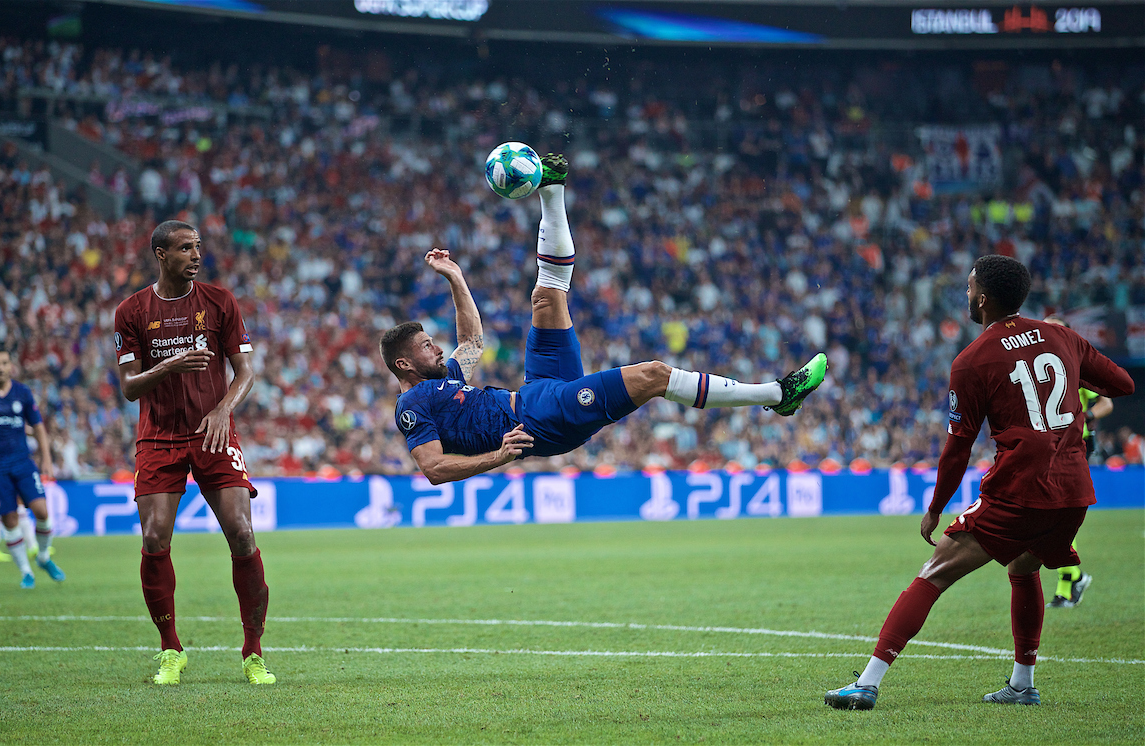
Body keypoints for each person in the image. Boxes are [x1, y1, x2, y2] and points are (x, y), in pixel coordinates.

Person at [381, 154, 827, 484]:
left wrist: (456, 277)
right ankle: (778, 394)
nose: (437, 348)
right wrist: (500, 457)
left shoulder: (448, 380)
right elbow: (434, 468)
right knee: (653, 374)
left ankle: (552, 189)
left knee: (545, 298)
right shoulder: (413, 406)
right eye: (425, 346)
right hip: (539, 422)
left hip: (537, 391)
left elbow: (472, 340)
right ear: (404, 364)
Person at [825, 255, 1135, 710]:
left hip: (1020, 490)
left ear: (983, 299)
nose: (967, 295)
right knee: (1023, 567)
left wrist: (935, 506)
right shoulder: (1062, 336)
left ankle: (867, 683)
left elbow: (958, 449)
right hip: (1073, 491)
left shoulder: (971, 361)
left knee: (934, 572)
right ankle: (1023, 684)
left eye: (970, 288)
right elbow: (1124, 384)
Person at [114, 220, 274, 686]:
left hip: (213, 433)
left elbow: (244, 371)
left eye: (198, 247)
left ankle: (253, 653)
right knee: (154, 538)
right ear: (161, 255)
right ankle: (170, 651)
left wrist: (224, 409)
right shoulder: (131, 311)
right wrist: (170, 365)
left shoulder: (220, 301)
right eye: (185, 248)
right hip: (160, 437)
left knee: (242, 533)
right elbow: (128, 388)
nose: (196, 255)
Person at [0, 348, 64, 588]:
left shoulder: (22, 392)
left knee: (42, 512)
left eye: (4, 363)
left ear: (10, 365)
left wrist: (46, 457)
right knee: (9, 520)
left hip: (22, 461)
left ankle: (43, 557)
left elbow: (38, 427)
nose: (0, 368)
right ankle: (26, 572)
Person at [1041, 316, 1110, 609]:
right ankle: (1074, 578)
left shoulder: (1078, 367)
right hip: (1045, 450)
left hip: (1072, 450)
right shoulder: (1036, 368)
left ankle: (1067, 586)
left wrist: (1087, 418)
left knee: (1058, 516)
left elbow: (1106, 403)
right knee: (1050, 518)